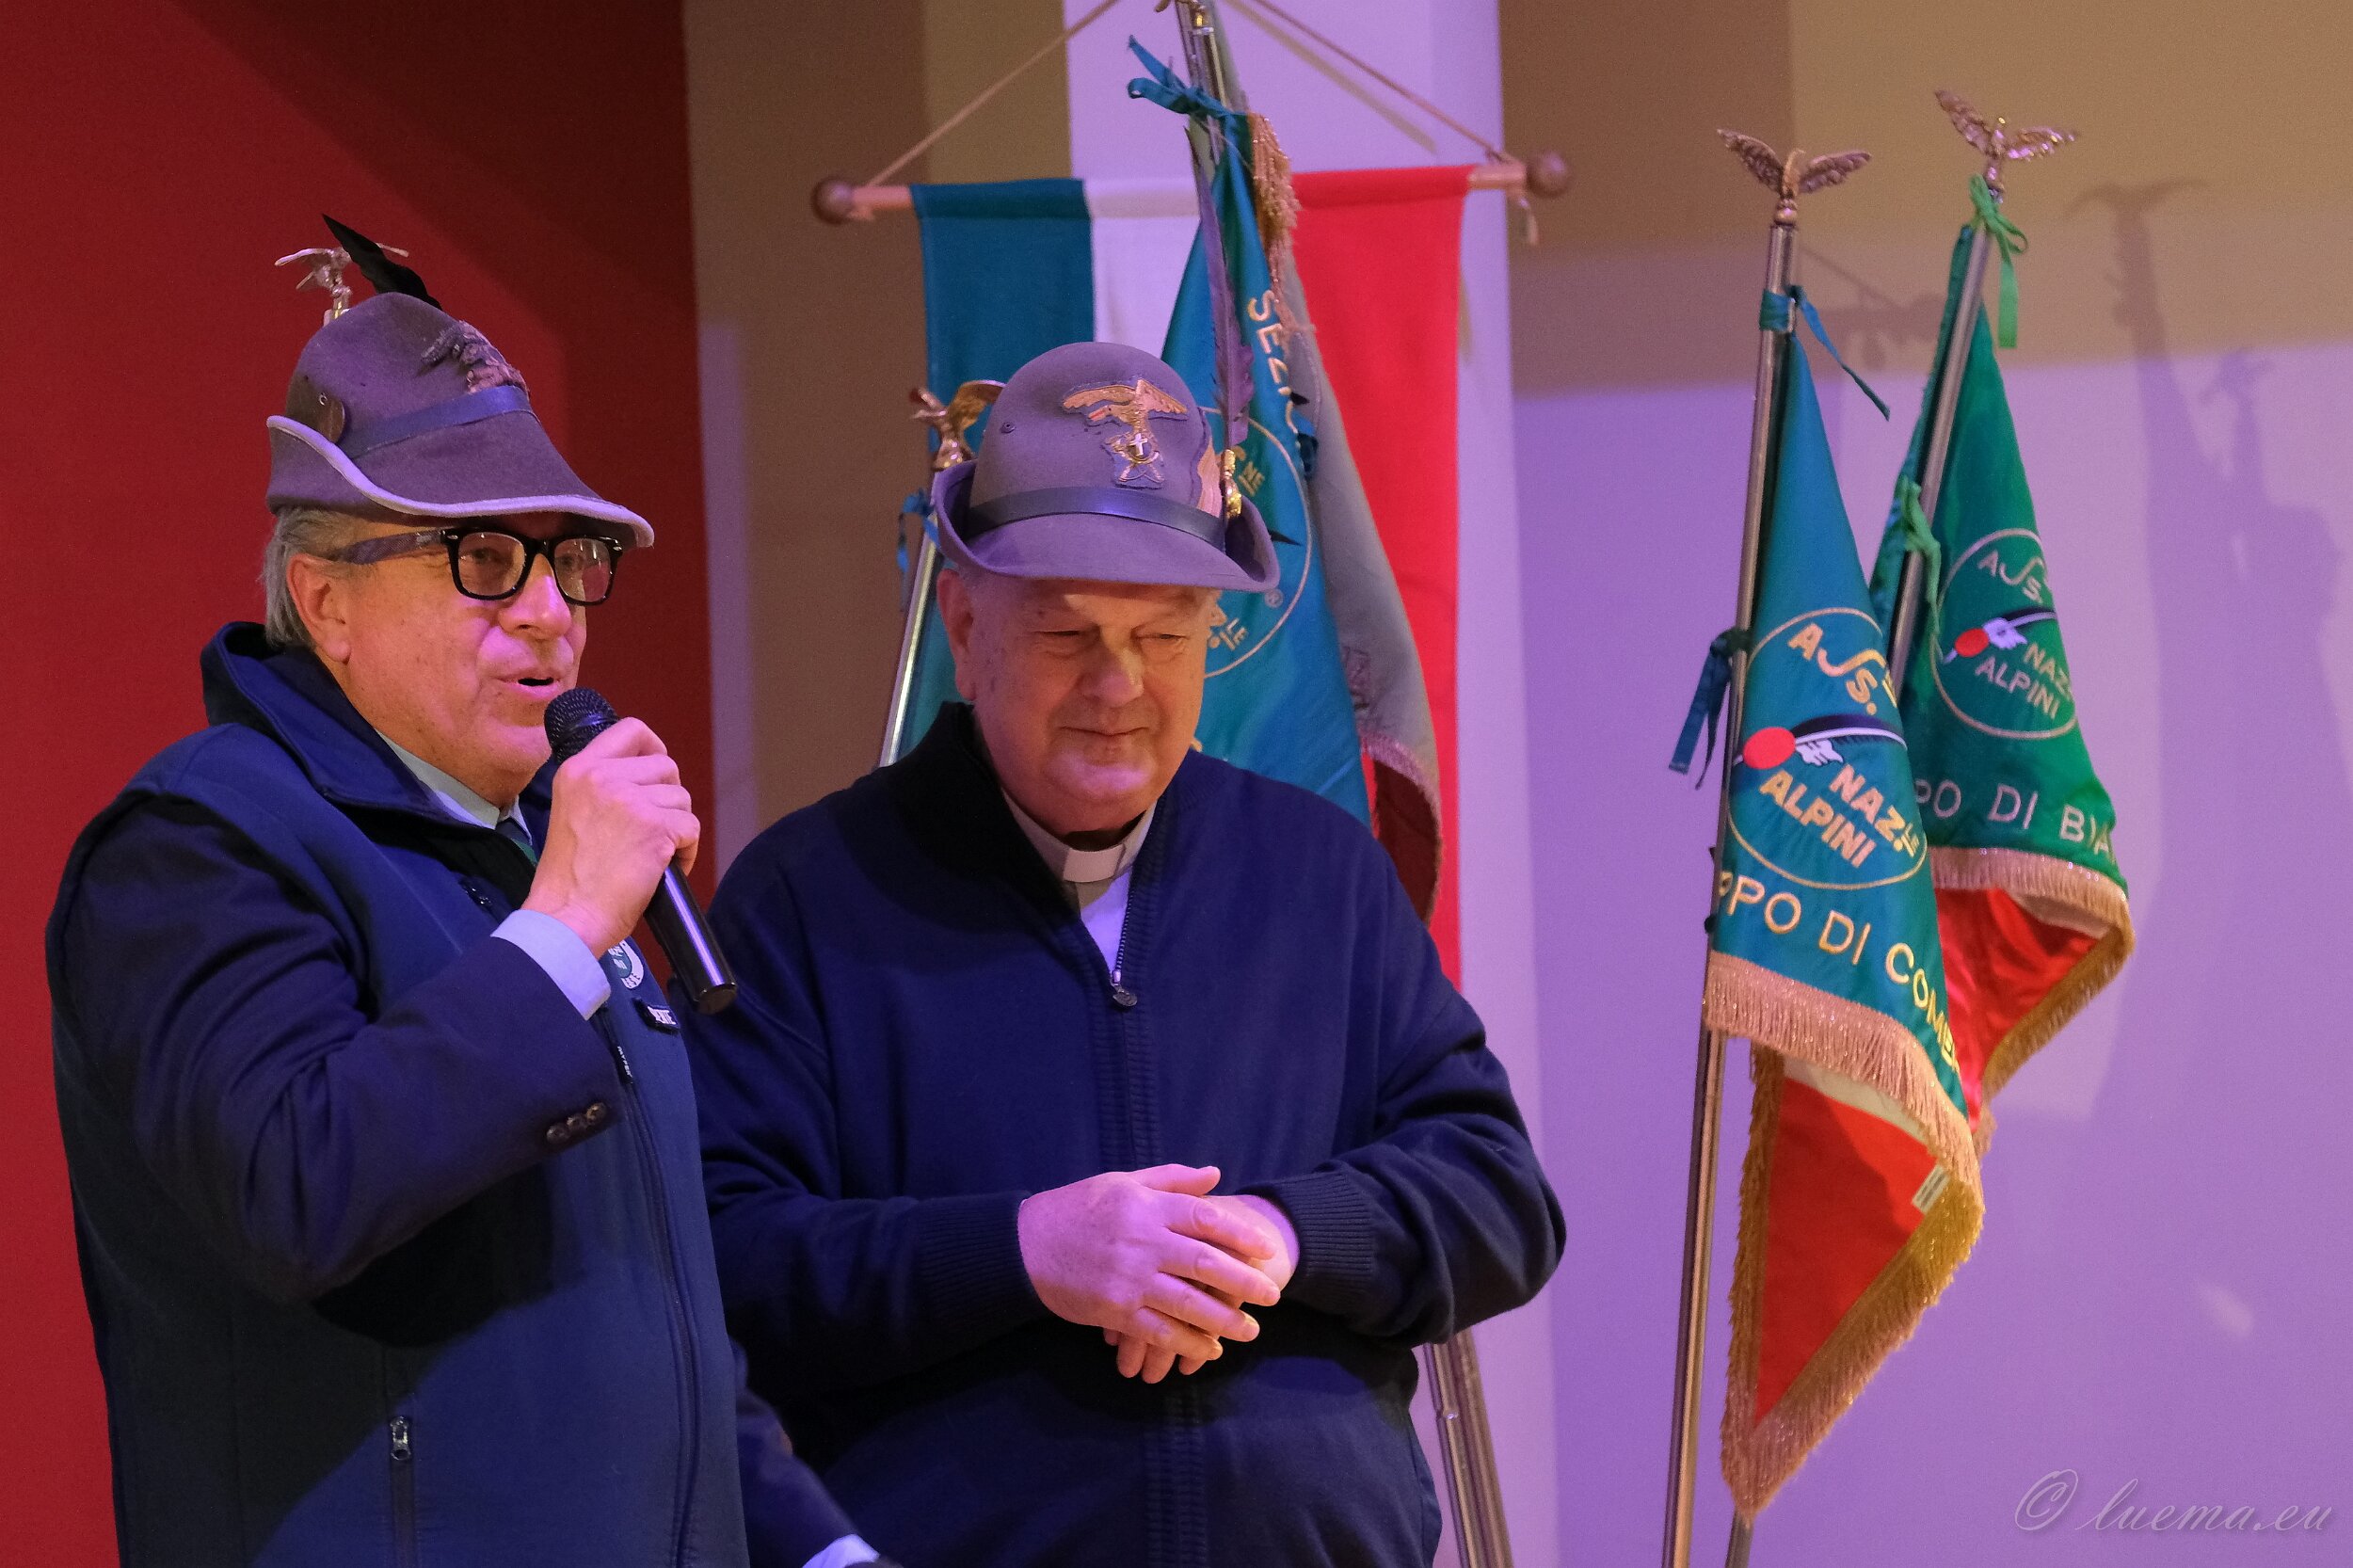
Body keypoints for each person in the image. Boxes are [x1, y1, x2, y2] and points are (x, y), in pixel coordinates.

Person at [692, 341, 1564, 1566]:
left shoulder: (1322, 872)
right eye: (1069, 634)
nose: (1120, 686)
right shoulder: (805, 897)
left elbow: (1499, 1198)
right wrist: (1023, 1252)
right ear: (964, 623)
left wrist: (1281, 1234)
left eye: (1165, 636)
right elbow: (721, 1262)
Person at [47, 291, 863, 1567]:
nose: (551, 611)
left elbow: (644, 1311)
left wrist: (821, 1548)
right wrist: (562, 930)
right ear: (326, 603)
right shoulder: (201, 843)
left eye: (570, 558)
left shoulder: (541, 852)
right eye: (484, 557)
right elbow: (296, 1188)